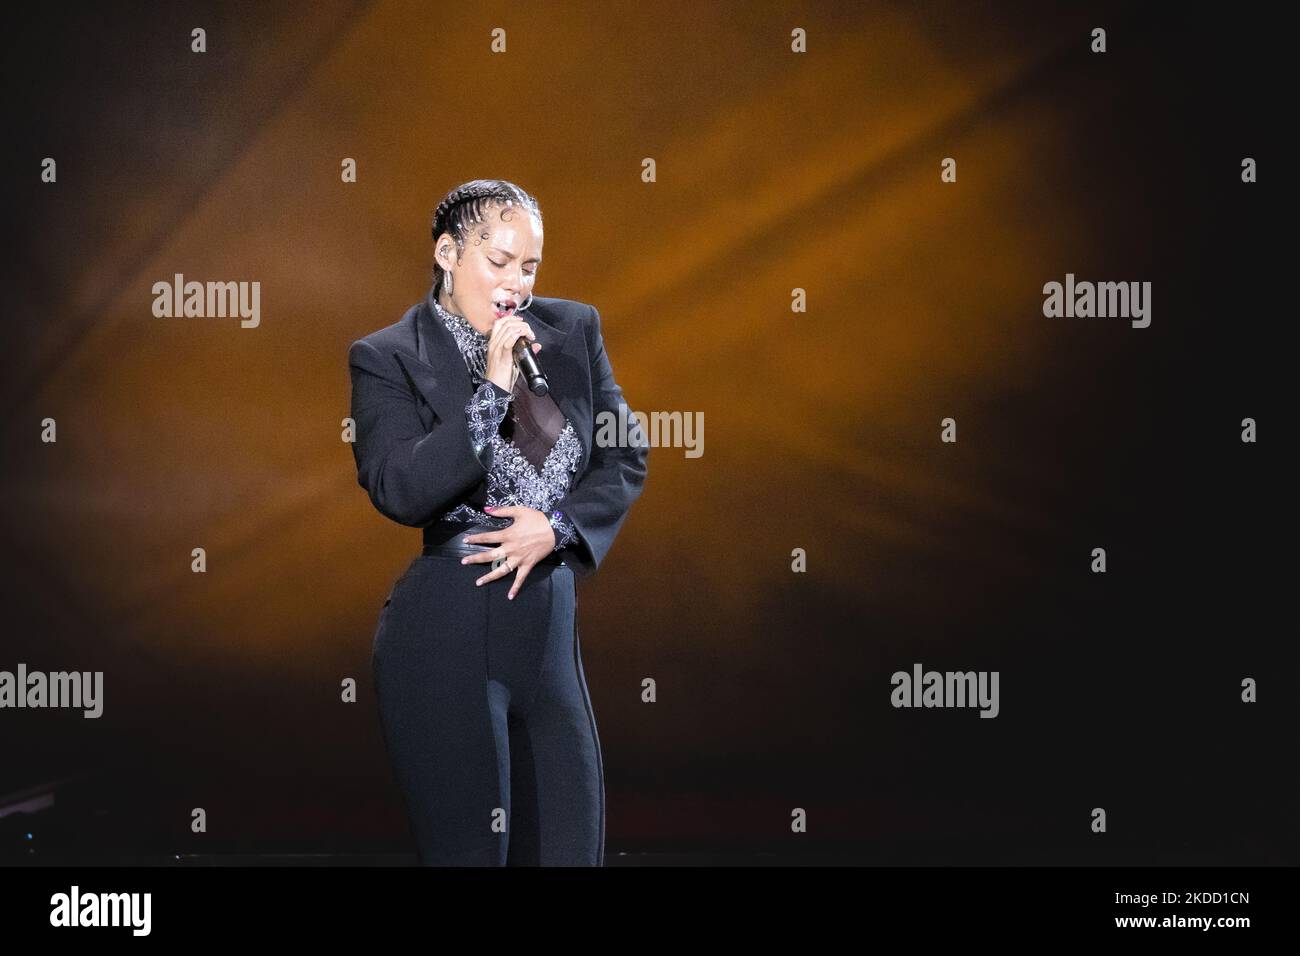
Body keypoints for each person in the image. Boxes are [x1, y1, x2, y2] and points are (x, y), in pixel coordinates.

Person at [347, 179, 649, 865]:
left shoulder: (572, 331)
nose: (516, 283)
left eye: (530, 265)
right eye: (499, 261)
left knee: (569, 850)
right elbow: (400, 487)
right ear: (449, 253)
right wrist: (490, 390)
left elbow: (624, 454)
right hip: (448, 625)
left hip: (547, 630)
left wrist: (558, 527)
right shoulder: (389, 355)